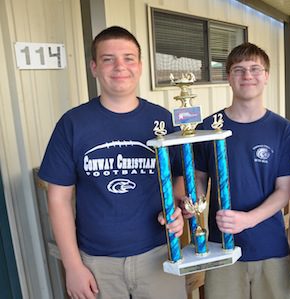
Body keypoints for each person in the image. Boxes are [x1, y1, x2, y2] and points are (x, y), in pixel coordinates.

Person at [38, 26, 187, 299]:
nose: (120, 66)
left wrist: (178, 209)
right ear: (94, 67)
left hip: (158, 255)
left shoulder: (163, 121)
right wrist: (73, 266)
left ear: (140, 66)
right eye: (108, 59)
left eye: (129, 58)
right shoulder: (72, 124)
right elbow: (58, 199)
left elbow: (177, 177)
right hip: (96, 263)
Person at [193, 42, 290, 299]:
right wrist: (196, 203)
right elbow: (198, 178)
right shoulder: (208, 127)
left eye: (255, 69)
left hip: (270, 247)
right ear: (229, 77)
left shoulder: (282, 130)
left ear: (266, 76)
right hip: (223, 248)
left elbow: (285, 191)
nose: (247, 75)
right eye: (239, 70)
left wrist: (248, 219)